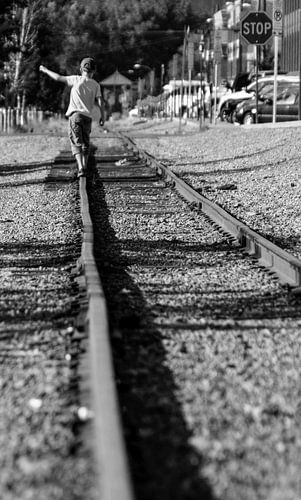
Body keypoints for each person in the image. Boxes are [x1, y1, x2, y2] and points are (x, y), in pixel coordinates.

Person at [39, 57, 105, 177]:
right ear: (94, 71)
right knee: (85, 143)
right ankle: (84, 166)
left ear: (81, 69)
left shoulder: (75, 79)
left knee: (76, 142)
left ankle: (80, 168)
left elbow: (58, 78)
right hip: (87, 118)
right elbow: (100, 102)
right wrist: (102, 117)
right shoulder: (96, 85)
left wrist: (45, 70)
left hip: (75, 116)